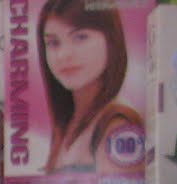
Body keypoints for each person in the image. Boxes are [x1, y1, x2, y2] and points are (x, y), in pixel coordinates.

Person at [38, 0, 143, 174]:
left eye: (80, 37)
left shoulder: (116, 124)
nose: (64, 55)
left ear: (111, 40)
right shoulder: (65, 123)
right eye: (53, 43)